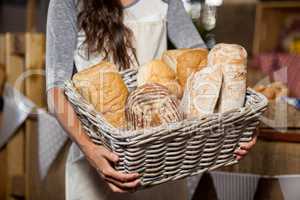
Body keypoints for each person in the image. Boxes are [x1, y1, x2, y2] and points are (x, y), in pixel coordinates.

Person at [46, 0, 257, 199]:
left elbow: (202, 63)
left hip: (162, 158)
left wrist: (236, 124)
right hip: (96, 158)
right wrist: (91, 150)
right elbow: (56, 91)